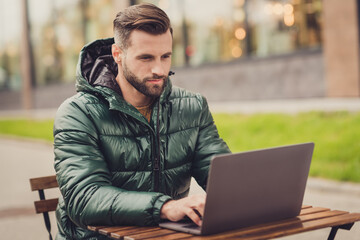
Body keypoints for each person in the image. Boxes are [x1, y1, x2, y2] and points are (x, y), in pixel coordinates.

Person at [53, 3, 230, 239]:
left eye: (165, 56)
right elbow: (84, 198)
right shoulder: (77, 113)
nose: (159, 69)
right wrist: (165, 207)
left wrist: (248, 194)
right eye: (146, 58)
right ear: (118, 54)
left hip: (166, 235)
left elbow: (220, 174)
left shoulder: (192, 106)